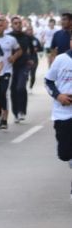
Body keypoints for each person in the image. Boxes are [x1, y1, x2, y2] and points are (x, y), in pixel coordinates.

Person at [44, 46, 72, 198]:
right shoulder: (61, 60)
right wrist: (59, 96)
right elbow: (48, 81)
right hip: (62, 114)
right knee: (64, 154)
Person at [0, 18, 21, 129]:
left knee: (3, 93)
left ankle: (4, 118)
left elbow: (19, 50)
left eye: (0, 25)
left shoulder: (11, 39)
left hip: (6, 71)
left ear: (4, 27)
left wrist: (13, 57)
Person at [8, 16, 36, 122]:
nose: (18, 25)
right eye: (15, 23)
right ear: (12, 25)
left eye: (19, 23)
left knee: (20, 87)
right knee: (13, 89)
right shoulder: (9, 37)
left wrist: (32, 59)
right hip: (11, 66)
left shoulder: (26, 37)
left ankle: (21, 111)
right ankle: (15, 112)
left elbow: (33, 51)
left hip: (23, 66)